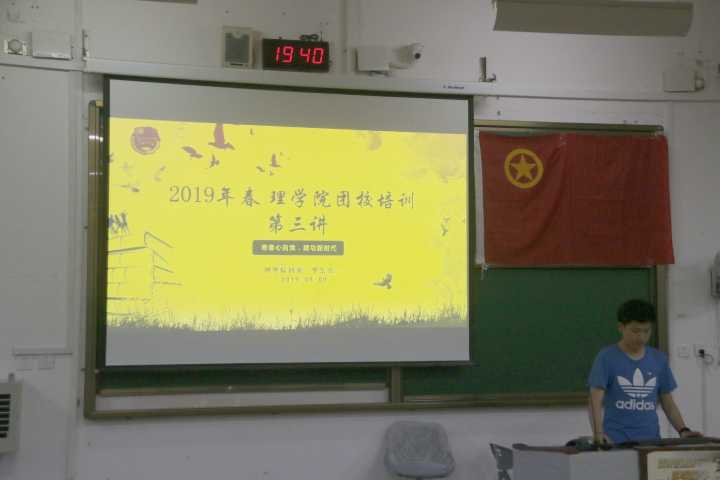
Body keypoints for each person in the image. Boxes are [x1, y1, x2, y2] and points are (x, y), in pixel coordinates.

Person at [587, 299, 702, 445]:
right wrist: (598, 434)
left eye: (646, 331)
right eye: (635, 331)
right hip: (615, 443)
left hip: (651, 443)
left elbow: (668, 402)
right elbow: (594, 400)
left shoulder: (659, 359)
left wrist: (683, 430)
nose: (641, 337)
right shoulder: (606, 357)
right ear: (621, 327)